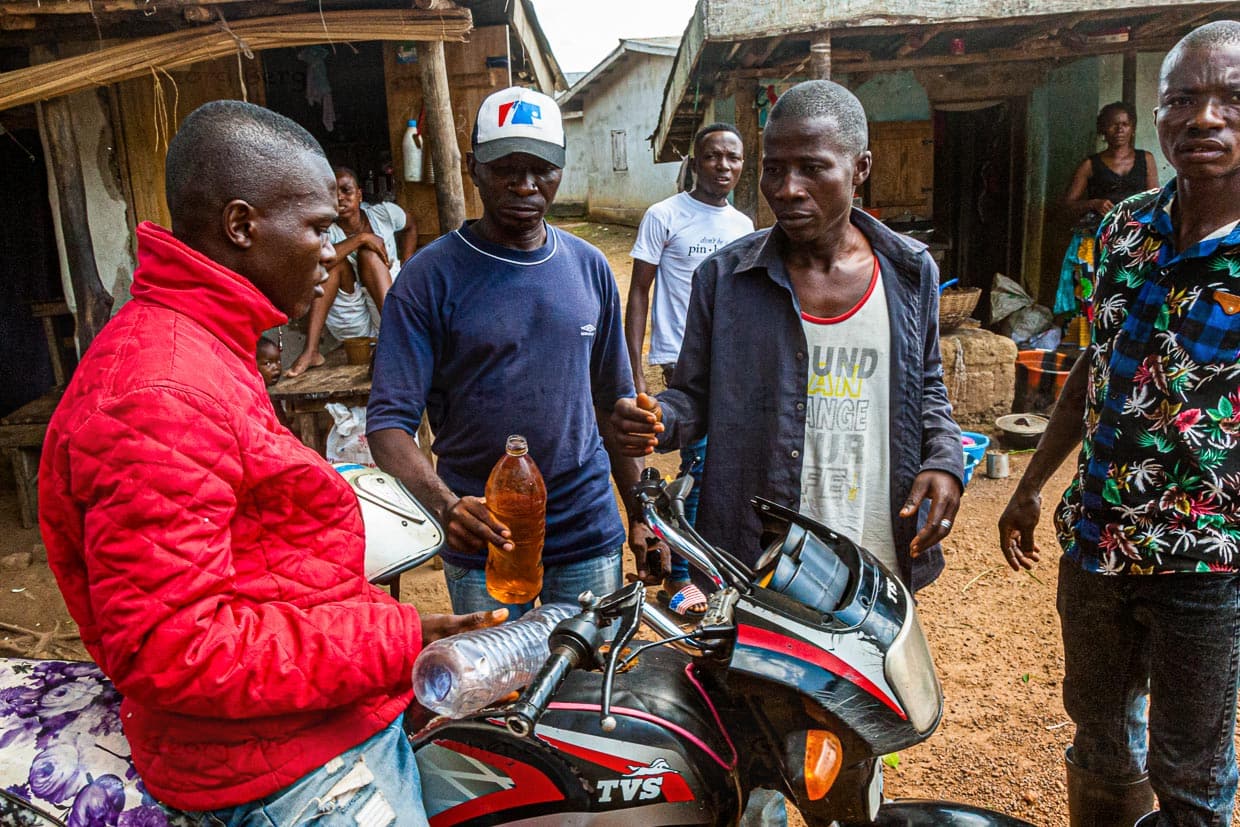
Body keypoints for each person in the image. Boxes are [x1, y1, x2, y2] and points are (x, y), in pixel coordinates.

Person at [37, 100, 501, 823]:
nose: (331, 248)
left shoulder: (203, 343)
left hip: (301, 719)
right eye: (318, 226)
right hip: (272, 766)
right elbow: (172, 644)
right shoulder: (160, 389)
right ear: (242, 225)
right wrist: (396, 636)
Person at [998, 21, 1240, 827]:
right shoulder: (1123, 228)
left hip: (1208, 563)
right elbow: (1093, 372)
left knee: (1194, 778)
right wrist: (1032, 485)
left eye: (1230, 99)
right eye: (1182, 99)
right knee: (1100, 736)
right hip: (1099, 541)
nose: (1203, 117)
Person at [368, 86, 653, 617]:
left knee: (588, 689)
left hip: (586, 530)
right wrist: (445, 506)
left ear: (561, 168)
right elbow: (387, 424)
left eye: (541, 168)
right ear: (474, 168)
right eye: (506, 168)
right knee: (496, 692)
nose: (525, 184)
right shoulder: (429, 279)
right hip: (483, 538)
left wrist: (640, 512)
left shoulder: (589, 268)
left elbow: (613, 404)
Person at [625, 121, 753, 614]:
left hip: (731, 362)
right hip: (683, 362)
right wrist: (634, 369)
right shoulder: (665, 215)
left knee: (716, 467)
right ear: (695, 162)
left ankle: (702, 570)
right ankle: (681, 578)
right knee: (698, 465)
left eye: (733, 157)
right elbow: (640, 291)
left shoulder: (743, 227)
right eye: (714, 156)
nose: (723, 165)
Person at [287, 166, 415, 377]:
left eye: (346, 191)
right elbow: (320, 264)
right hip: (354, 322)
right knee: (334, 263)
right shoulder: (325, 231)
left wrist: (408, 260)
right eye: (332, 193)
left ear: (359, 194)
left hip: (389, 311)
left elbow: (410, 225)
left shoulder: (383, 213)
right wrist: (361, 238)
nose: (339, 198)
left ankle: (399, 340)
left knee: (369, 255)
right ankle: (311, 351)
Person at [1055, 102, 1160, 317]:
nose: (1119, 129)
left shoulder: (1146, 159)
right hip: (1097, 240)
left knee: (1130, 292)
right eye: (1113, 125)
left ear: (1132, 128)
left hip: (1135, 240)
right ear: (1103, 129)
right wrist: (1094, 203)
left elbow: (1155, 199)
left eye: (1125, 124)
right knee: (1095, 294)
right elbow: (1066, 206)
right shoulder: (1090, 164)